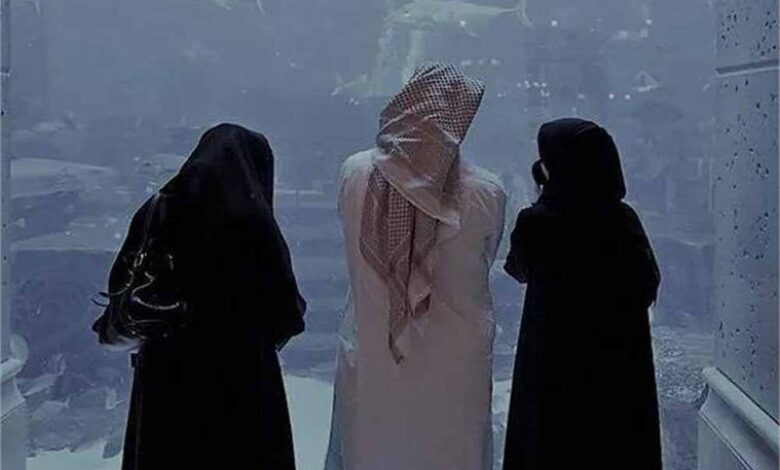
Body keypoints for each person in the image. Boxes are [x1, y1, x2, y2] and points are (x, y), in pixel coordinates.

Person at [324, 63, 506, 470]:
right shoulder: (487, 192)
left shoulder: (354, 173)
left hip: (373, 354)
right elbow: (487, 258)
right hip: (457, 361)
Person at [93, 123, 306, 469]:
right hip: (243, 378)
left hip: (167, 372)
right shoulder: (254, 223)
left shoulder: (159, 207)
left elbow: (124, 280)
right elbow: (286, 315)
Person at [502, 118, 662, 470]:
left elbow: (518, 269)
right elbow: (648, 281)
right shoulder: (623, 219)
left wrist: (542, 197)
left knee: (552, 440)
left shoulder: (537, 221)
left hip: (554, 358)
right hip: (618, 360)